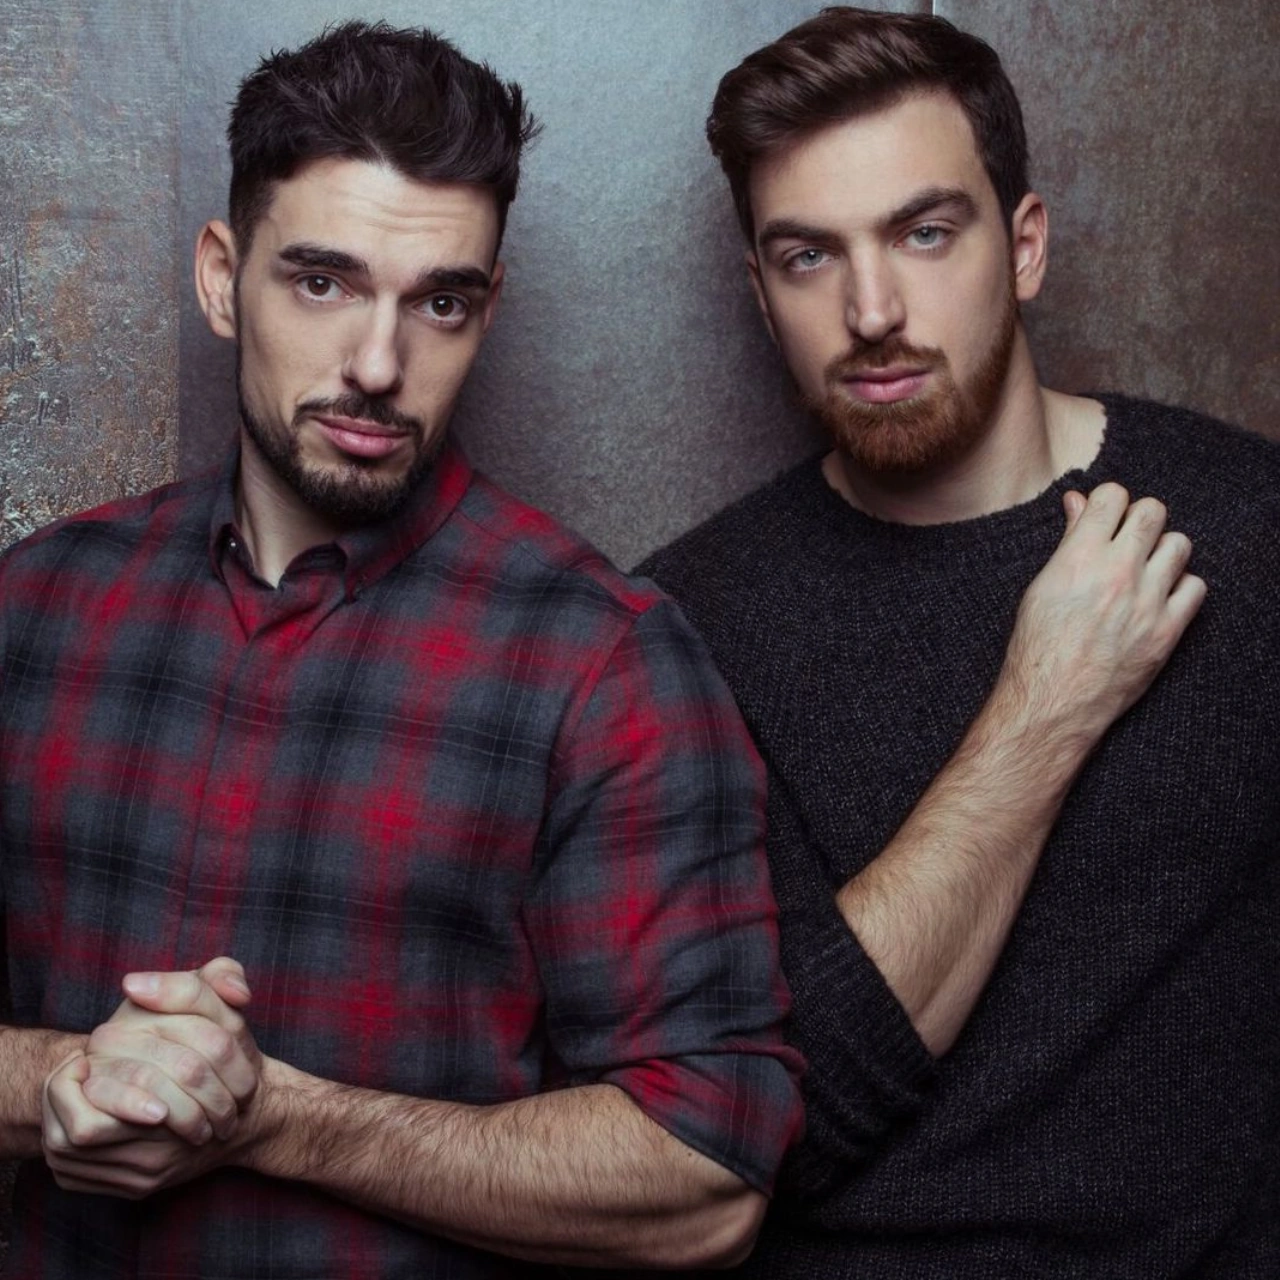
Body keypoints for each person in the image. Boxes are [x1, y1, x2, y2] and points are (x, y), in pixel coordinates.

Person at [0, 22, 804, 1278]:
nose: (379, 366)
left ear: (488, 309)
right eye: (321, 283)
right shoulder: (35, 605)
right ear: (221, 277)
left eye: (439, 302)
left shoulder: (604, 663)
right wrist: (62, 1078)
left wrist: (274, 1118)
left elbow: (704, 1179)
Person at [640, 7, 1280, 1275]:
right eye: (807, 256)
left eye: (923, 233)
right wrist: (1044, 704)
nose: (871, 308)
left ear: (1022, 245)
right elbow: (777, 1111)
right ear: (760, 294)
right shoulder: (680, 624)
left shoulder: (1250, 527)